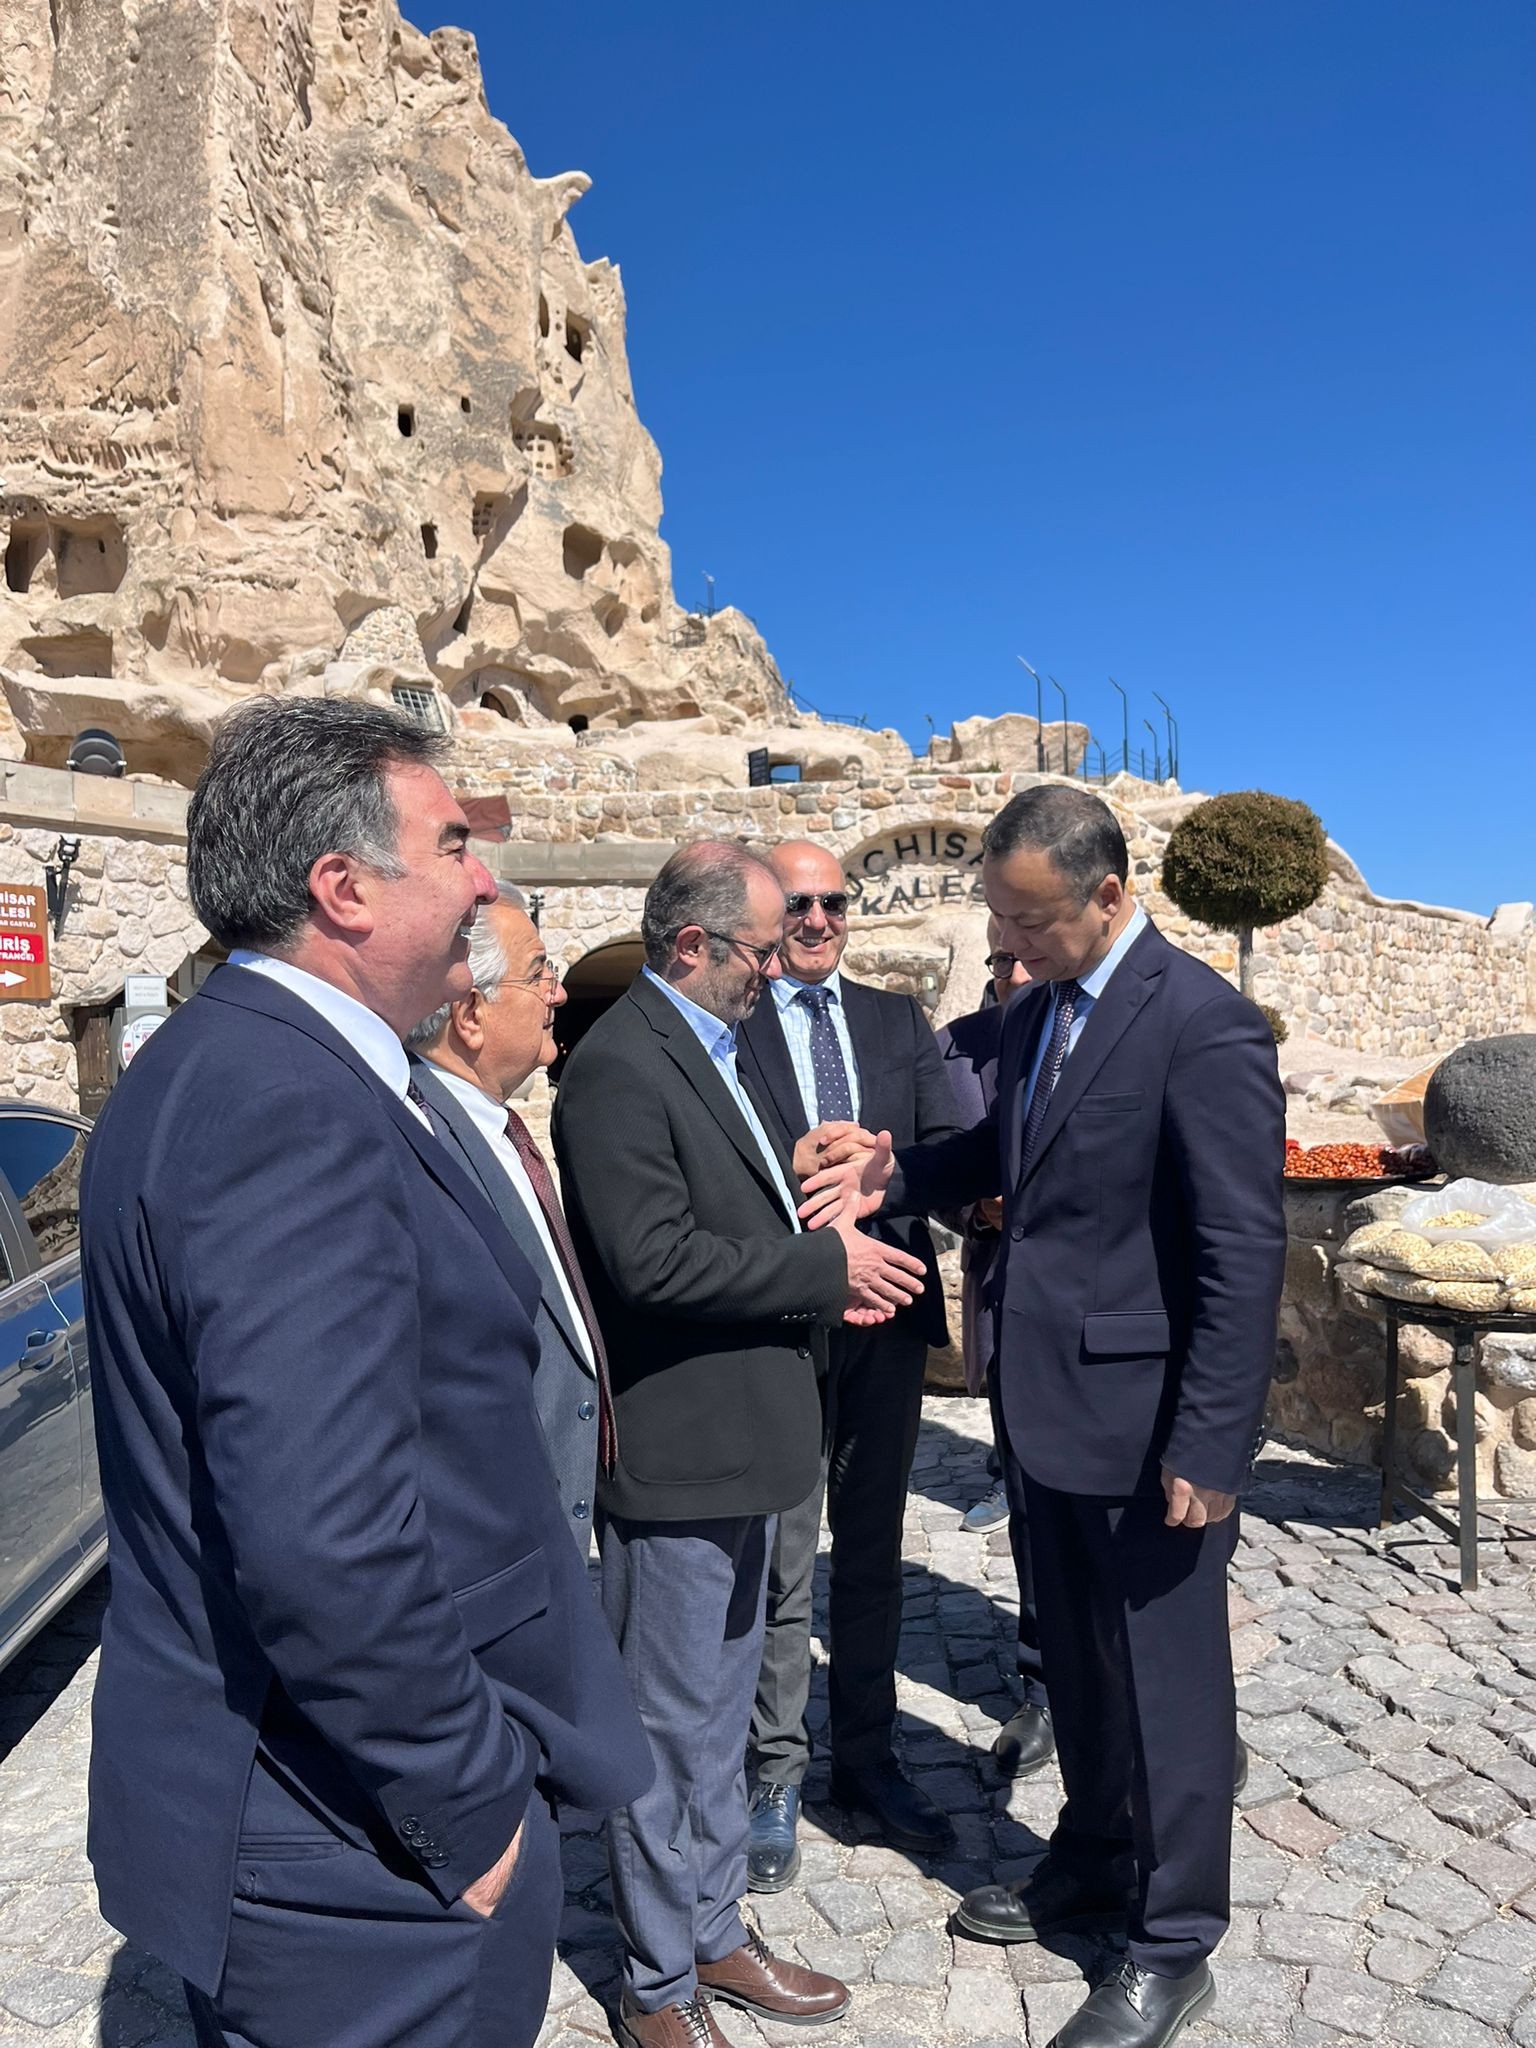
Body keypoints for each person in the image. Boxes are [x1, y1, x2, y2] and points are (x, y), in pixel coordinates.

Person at [80, 697, 654, 2048]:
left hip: (325, 1822)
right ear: (342, 888)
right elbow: (321, 1530)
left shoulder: (238, 1063)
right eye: (452, 843)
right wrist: (470, 1806)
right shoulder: (285, 1103)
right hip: (353, 1852)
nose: (484, 879)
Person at [801, 785, 1285, 2048]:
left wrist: (1211, 1441)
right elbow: (1000, 1157)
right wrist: (896, 1170)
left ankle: (1173, 1941)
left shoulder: (1205, 1024)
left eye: (1027, 920)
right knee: (1075, 1663)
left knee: (1168, 1687)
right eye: (996, 917)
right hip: (1041, 1408)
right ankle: (1092, 1855)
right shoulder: (1038, 1014)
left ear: (1110, 896)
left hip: (1148, 1426)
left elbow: (1242, 1252)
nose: (1006, 944)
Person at [552, 840, 926, 2048]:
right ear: (690, 944)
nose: (777, 969)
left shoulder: (711, 1043)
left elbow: (724, 1202)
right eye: (760, 951)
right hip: (680, 1454)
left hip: (748, 1442)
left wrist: (794, 1167)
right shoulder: (619, 1065)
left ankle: (712, 1930)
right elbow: (652, 1259)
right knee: (668, 1731)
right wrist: (825, 1266)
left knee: (714, 1725)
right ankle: (657, 1983)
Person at [735, 839, 960, 1883]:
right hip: (784, 1321)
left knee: (871, 1548)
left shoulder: (895, 1021)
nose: (818, 920)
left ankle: (867, 1759)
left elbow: (943, 1153)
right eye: (799, 903)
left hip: (886, 1323)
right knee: (781, 1552)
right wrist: (806, 1190)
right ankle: (773, 1770)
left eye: (834, 901)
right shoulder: (733, 1025)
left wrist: (888, 1173)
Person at [406, 883, 609, 1554]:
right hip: (491, 1545)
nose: (559, 994)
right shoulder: (423, 1141)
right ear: (470, 1015)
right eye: (539, 973)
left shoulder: (491, 1127)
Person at [933, 920, 1052, 1781]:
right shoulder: (958, 1048)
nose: (1013, 971)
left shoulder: (1110, 1033)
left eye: (1024, 952)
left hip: (1116, 1323)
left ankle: (1158, 1690)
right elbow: (941, 1162)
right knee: (1032, 1505)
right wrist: (976, 1209)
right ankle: (1045, 1687)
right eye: (999, 957)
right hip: (1011, 1306)